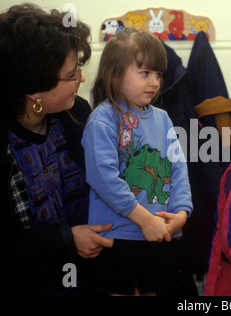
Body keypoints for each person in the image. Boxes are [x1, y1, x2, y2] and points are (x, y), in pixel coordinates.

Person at [0, 4, 114, 296]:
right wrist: (66, 240)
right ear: (34, 90)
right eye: (72, 74)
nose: (81, 80)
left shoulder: (77, 115)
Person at [81, 27, 193, 296]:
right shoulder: (103, 119)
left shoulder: (163, 118)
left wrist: (181, 213)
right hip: (117, 238)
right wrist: (144, 220)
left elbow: (177, 169)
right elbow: (103, 177)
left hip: (158, 234)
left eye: (158, 74)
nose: (154, 82)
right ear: (115, 72)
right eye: (145, 73)